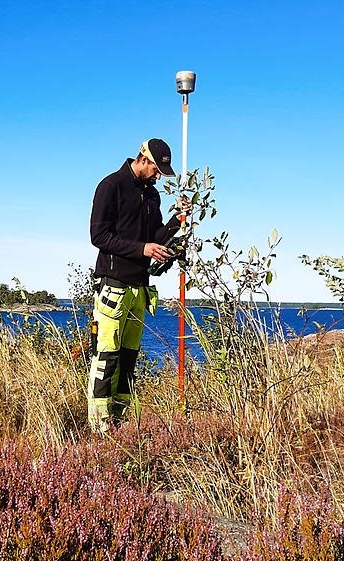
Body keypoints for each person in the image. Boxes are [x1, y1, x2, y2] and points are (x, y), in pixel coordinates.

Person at [87, 138, 190, 432]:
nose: (159, 177)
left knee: (129, 360)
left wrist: (176, 220)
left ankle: (120, 423)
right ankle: (99, 428)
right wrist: (142, 249)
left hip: (139, 289)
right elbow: (99, 236)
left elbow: (154, 236)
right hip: (113, 287)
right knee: (106, 357)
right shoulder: (111, 186)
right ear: (143, 160)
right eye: (157, 170)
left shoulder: (152, 196)